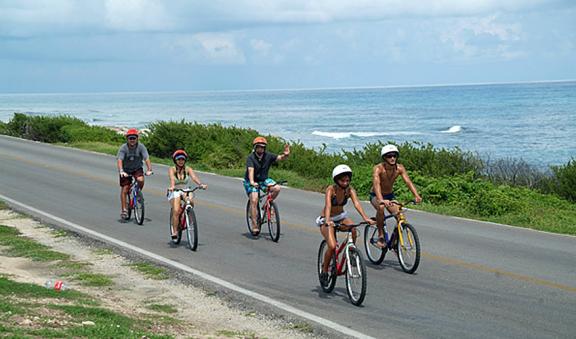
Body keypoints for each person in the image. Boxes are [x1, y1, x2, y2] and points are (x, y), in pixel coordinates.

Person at [317, 165, 375, 284]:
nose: (345, 183)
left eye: (347, 180)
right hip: (327, 219)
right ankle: (324, 269)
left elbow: (357, 204)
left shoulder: (350, 190)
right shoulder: (331, 189)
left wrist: (366, 218)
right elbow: (328, 206)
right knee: (332, 246)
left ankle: (352, 253)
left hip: (340, 217)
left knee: (353, 228)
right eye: (342, 180)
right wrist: (327, 220)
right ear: (336, 180)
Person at [370, 144, 422, 248]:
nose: (392, 158)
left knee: (399, 214)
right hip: (376, 195)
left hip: (389, 195)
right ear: (384, 158)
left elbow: (408, 182)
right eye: (389, 156)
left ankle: (394, 242)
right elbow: (376, 184)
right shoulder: (378, 169)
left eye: (394, 155)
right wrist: (381, 200)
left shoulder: (399, 168)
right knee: (380, 208)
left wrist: (417, 195)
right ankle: (380, 236)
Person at [244, 136, 290, 236]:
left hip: (263, 180)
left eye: (263, 147)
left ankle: (266, 206)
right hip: (251, 181)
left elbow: (280, 158)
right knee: (254, 199)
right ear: (255, 147)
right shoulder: (250, 158)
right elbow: (250, 170)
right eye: (259, 147)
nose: (261, 149)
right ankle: (254, 224)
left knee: (277, 188)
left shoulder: (268, 156)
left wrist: (285, 155)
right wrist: (252, 182)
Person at [167, 150, 207, 239]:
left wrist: (200, 184)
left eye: (182, 159)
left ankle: (189, 216)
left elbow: (194, 177)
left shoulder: (188, 169)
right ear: (175, 160)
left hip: (185, 190)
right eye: (178, 159)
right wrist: (172, 186)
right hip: (175, 190)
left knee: (191, 202)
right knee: (176, 211)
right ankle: (175, 230)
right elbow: (172, 179)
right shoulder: (172, 169)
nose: (181, 161)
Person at [117, 128, 153, 220]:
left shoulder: (141, 147)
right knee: (125, 189)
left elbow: (146, 158)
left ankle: (137, 195)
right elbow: (120, 160)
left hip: (137, 168)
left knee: (141, 180)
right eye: (130, 138)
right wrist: (121, 171)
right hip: (126, 170)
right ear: (127, 139)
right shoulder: (123, 148)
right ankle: (124, 210)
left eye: (134, 138)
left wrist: (149, 169)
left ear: (137, 139)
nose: (132, 140)